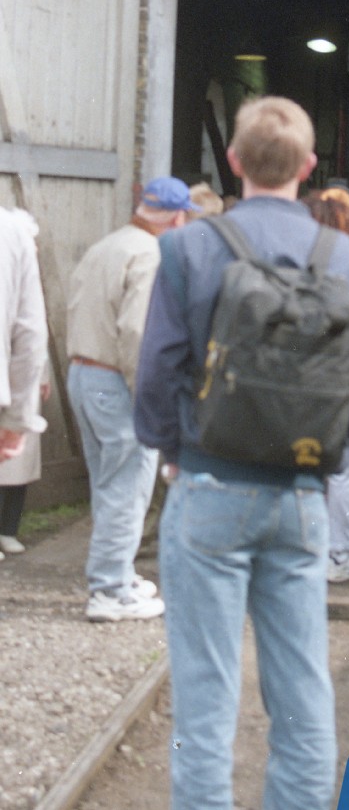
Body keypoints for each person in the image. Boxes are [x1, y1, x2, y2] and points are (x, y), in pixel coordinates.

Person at [134, 96, 349, 810]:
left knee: (206, 708)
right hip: (302, 500)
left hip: (209, 490)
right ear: (310, 168)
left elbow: (156, 376)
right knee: (304, 702)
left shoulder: (187, 252)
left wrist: (176, 453)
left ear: (234, 163)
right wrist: (323, 463)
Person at [66, 176, 195, 621]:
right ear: (179, 218)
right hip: (117, 382)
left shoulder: (109, 244)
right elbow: (139, 332)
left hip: (83, 372)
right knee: (128, 486)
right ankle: (111, 589)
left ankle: (114, 572)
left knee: (108, 482)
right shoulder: (151, 254)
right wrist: (150, 397)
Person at [303, 188, 349, 583]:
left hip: (290, 376)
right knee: (341, 469)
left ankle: (303, 552)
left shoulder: (287, 253)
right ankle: (339, 555)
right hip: (336, 374)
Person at [0, 207, 49, 555]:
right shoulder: (10, 235)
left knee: (17, 467)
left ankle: (7, 528)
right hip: (12, 385)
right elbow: (30, 333)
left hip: (18, 383)